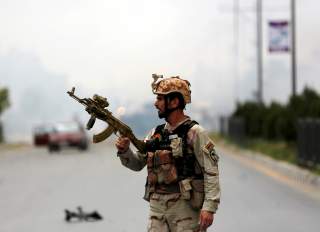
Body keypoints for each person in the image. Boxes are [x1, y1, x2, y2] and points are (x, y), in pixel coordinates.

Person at [115, 75, 220, 232]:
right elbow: (137, 163)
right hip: (157, 209)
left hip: (185, 208)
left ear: (174, 102)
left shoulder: (194, 133)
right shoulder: (155, 134)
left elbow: (211, 171)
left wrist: (209, 208)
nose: (155, 103)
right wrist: (124, 151)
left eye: (160, 99)